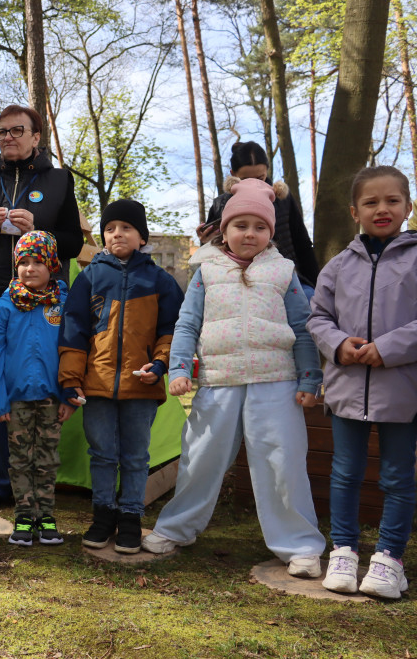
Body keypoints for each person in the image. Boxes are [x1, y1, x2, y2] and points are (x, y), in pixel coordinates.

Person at [141, 179, 326, 578]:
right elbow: (187, 324)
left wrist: (310, 379)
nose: (250, 234)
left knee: (282, 462)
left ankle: (300, 545)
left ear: (270, 232)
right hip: (218, 380)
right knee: (200, 458)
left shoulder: (284, 271)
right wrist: (178, 369)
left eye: (260, 227)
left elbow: (302, 326)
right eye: (240, 225)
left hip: (276, 381)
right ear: (224, 229)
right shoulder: (206, 271)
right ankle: (176, 528)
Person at [0, 104, 84, 512]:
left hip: (45, 305)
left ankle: (40, 481)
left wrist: (40, 234)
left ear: (36, 137)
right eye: (1, 132)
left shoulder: (59, 181)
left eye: (16, 130)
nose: (8, 137)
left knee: (42, 388)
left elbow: (75, 244)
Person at [307, 166, 417, 599]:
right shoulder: (338, 265)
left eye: (392, 200)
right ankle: (344, 551)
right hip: (346, 388)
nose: (382, 208)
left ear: (408, 206)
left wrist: (387, 347)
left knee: (396, 477)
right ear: (355, 212)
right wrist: (338, 344)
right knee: (345, 473)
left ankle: (389, 559)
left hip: (401, 391)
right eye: (371, 202)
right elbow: (317, 317)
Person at [58, 200, 184, 554]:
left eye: (126, 228)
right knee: (101, 453)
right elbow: (73, 331)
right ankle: (102, 514)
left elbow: (171, 330)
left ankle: (130, 515)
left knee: (135, 456)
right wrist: (70, 379)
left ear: (141, 237)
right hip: (95, 386)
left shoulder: (160, 281)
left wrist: (159, 365)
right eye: (110, 229)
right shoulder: (90, 277)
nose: (117, 234)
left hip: (141, 386)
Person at [0, 231, 74, 546]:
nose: (30, 269)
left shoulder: (64, 304)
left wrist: (70, 395)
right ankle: (24, 516)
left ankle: (45, 516)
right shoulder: (6, 306)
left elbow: (74, 350)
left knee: (47, 458)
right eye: (23, 262)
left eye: (38, 262)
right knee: (20, 459)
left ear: (52, 266)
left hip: (52, 397)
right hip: (17, 398)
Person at [198, 141, 319, 294]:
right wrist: (207, 242)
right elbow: (210, 256)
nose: (254, 184)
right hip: (237, 280)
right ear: (233, 174)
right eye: (246, 179)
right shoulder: (221, 205)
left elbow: (302, 244)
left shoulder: (282, 199)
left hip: (287, 278)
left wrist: (316, 285)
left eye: (260, 178)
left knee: (309, 300)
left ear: (267, 171)